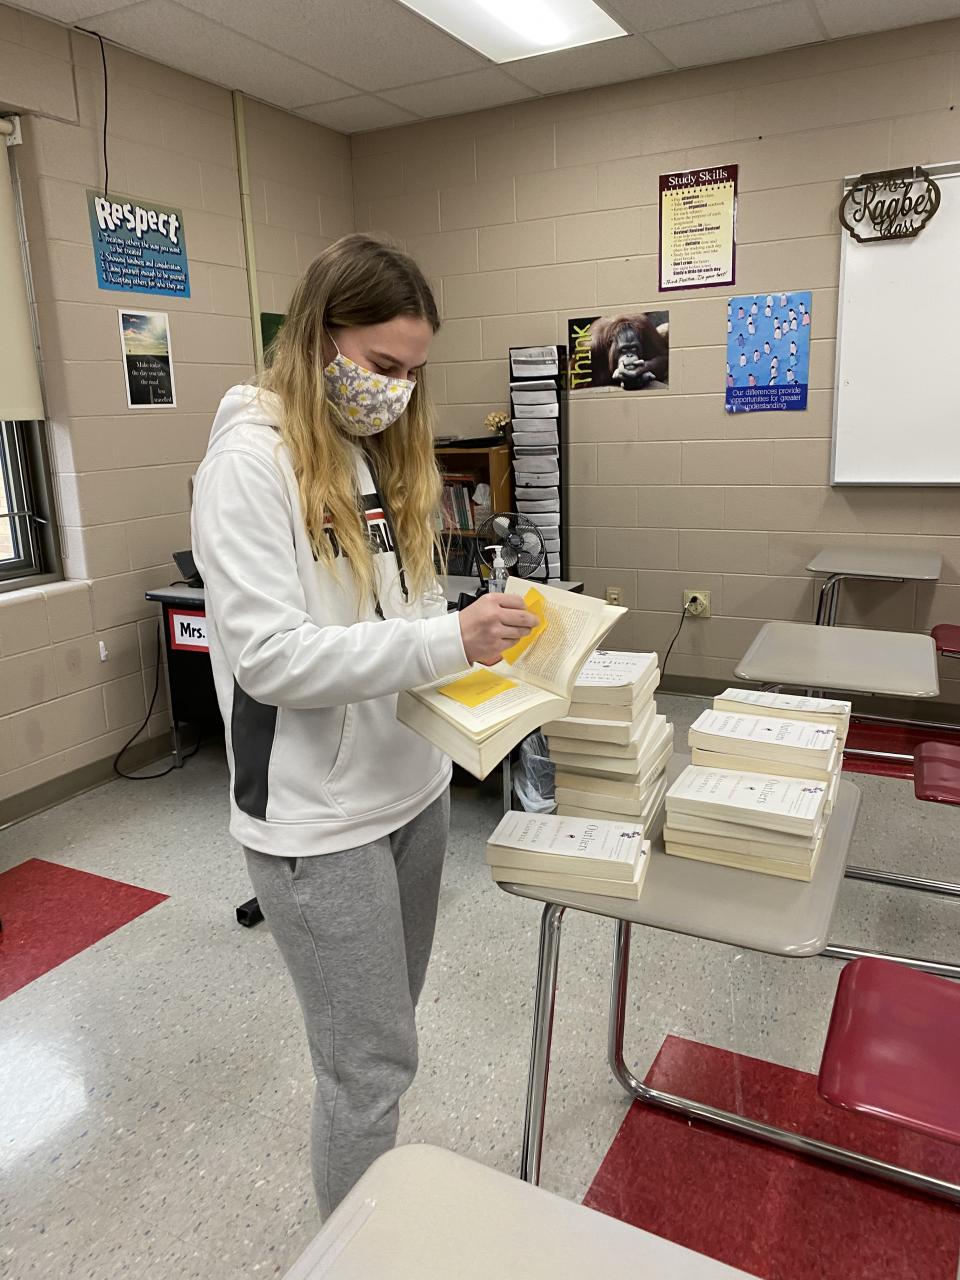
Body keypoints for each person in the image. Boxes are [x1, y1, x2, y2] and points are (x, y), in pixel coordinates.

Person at [191, 234, 537, 1217]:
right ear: (318, 336)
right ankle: (352, 1247)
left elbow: (402, 611)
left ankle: (371, 1217)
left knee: (389, 1034)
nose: (397, 391)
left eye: (414, 372)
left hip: (412, 791)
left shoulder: (368, 452)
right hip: (319, 818)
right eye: (383, 365)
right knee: (367, 1069)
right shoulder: (248, 464)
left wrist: (474, 652)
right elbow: (272, 659)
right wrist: (444, 641)